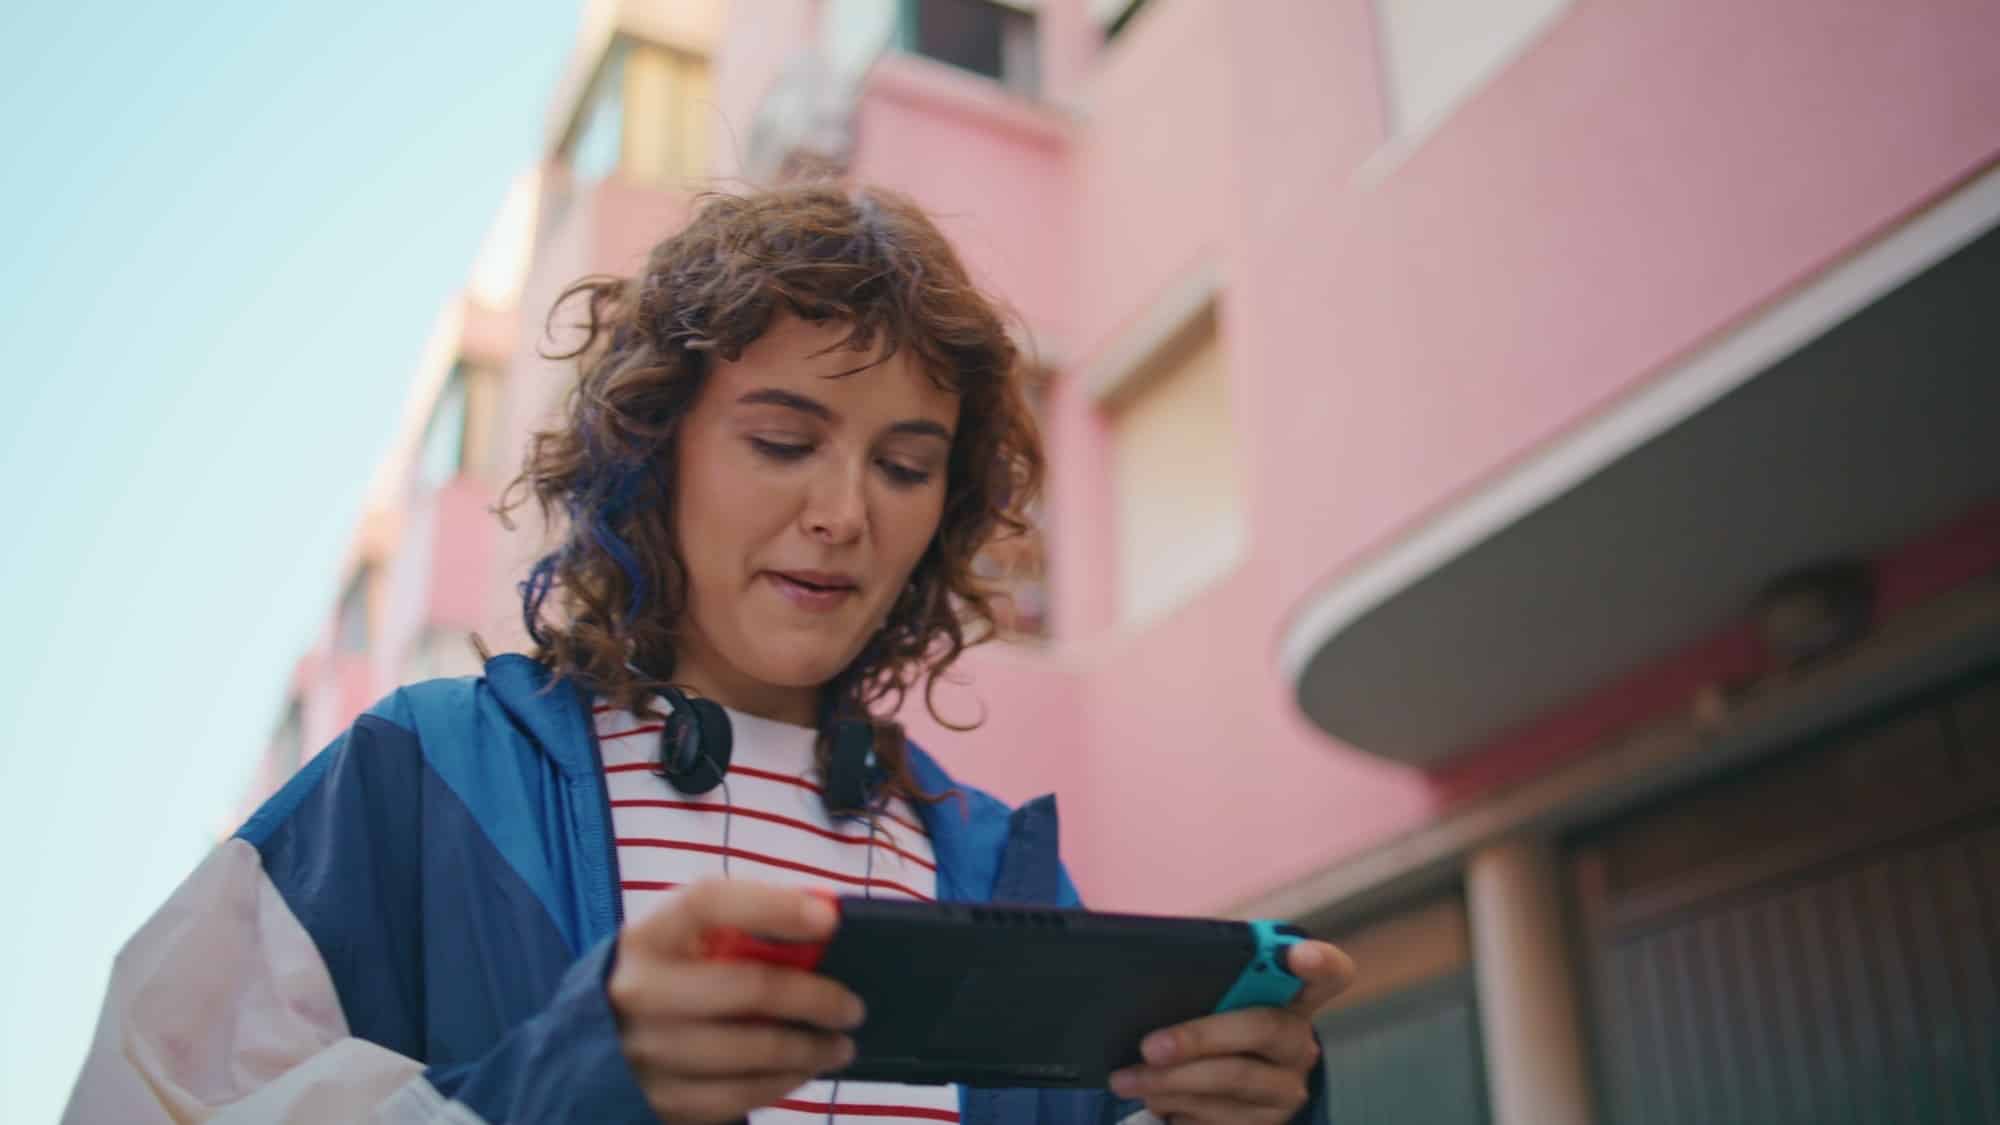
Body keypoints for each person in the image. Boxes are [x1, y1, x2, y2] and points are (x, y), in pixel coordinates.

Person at [63, 185, 1353, 1124]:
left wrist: (1251, 1107)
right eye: (784, 441)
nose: (845, 512)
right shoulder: (418, 775)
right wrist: (570, 1083)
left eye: (906, 466)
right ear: (653, 451)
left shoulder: (998, 866)